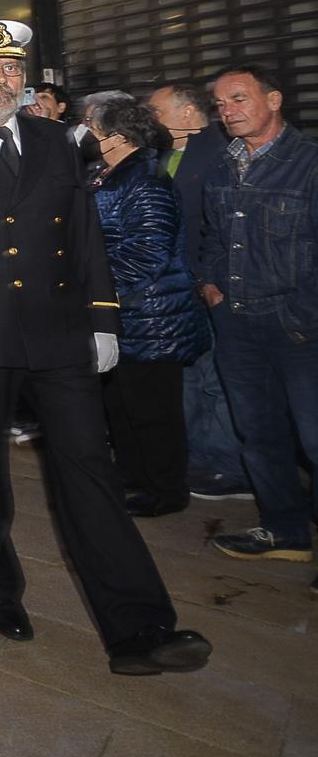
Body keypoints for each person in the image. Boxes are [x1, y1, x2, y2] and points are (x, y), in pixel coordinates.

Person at [0, 18, 211, 675]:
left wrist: (104, 320)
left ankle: (139, 626)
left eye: (10, 68)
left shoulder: (57, 141)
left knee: (88, 470)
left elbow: (84, 235)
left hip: (56, 331)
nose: (1, 79)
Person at [198, 64, 318, 568]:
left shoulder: (308, 163)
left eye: (239, 99)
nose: (228, 112)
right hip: (237, 323)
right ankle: (287, 531)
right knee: (259, 432)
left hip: (299, 327)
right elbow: (211, 235)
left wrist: (301, 312)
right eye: (221, 104)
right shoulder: (224, 164)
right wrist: (209, 284)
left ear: (274, 100)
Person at [83, 91, 210, 517]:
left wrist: (92, 281)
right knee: (123, 407)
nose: (86, 134)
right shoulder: (111, 173)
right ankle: (135, 479)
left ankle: (166, 491)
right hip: (127, 317)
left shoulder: (146, 180)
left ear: (116, 136)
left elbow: (147, 253)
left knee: (154, 414)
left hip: (153, 319)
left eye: (93, 128)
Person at [147, 80, 248, 500]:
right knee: (187, 375)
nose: (150, 119)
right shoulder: (165, 154)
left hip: (208, 284)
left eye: (156, 111)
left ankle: (226, 464)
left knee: (217, 378)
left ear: (187, 113)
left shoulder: (219, 154)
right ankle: (194, 453)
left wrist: (210, 279)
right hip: (176, 288)